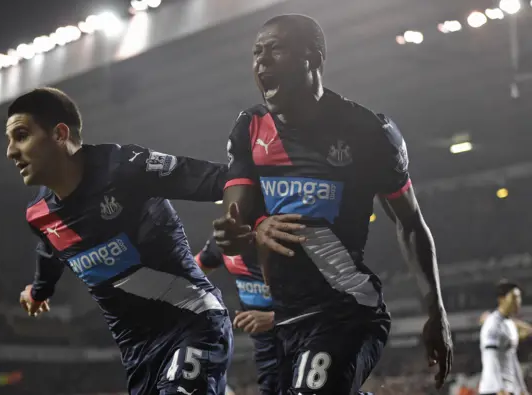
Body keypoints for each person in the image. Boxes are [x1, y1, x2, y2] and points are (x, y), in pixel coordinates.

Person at [212, 14, 453, 394]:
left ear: (314, 57)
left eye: (275, 50)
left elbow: (410, 222)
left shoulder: (369, 133)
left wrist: (435, 312)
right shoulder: (250, 128)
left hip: (346, 312)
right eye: (257, 53)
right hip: (285, 321)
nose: (262, 61)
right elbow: (235, 220)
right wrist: (245, 230)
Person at [5, 87, 232, 395]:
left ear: (59, 134)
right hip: (138, 353)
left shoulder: (123, 167)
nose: (11, 151)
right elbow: (49, 253)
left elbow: (219, 179)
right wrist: (39, 291)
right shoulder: (40, 216)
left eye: (21, 135)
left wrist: (259, 207)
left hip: (194, 322)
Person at [195, 236, 277, 395]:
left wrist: (275, 318)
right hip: (265, 350)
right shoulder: (223, 240)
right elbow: (189, 271)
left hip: (303, 339)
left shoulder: (285, 239)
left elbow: (330, 298)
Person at [478, 280, 529, 395]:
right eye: (514, 297)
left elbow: (512, 358)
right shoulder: (492, 324)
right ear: (502, 299)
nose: (518, 302)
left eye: (519, 298)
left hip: (509, 389)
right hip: (493, 390)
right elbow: (492, 357)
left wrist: (522, 389)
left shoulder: (509, 324)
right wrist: (499, 388)